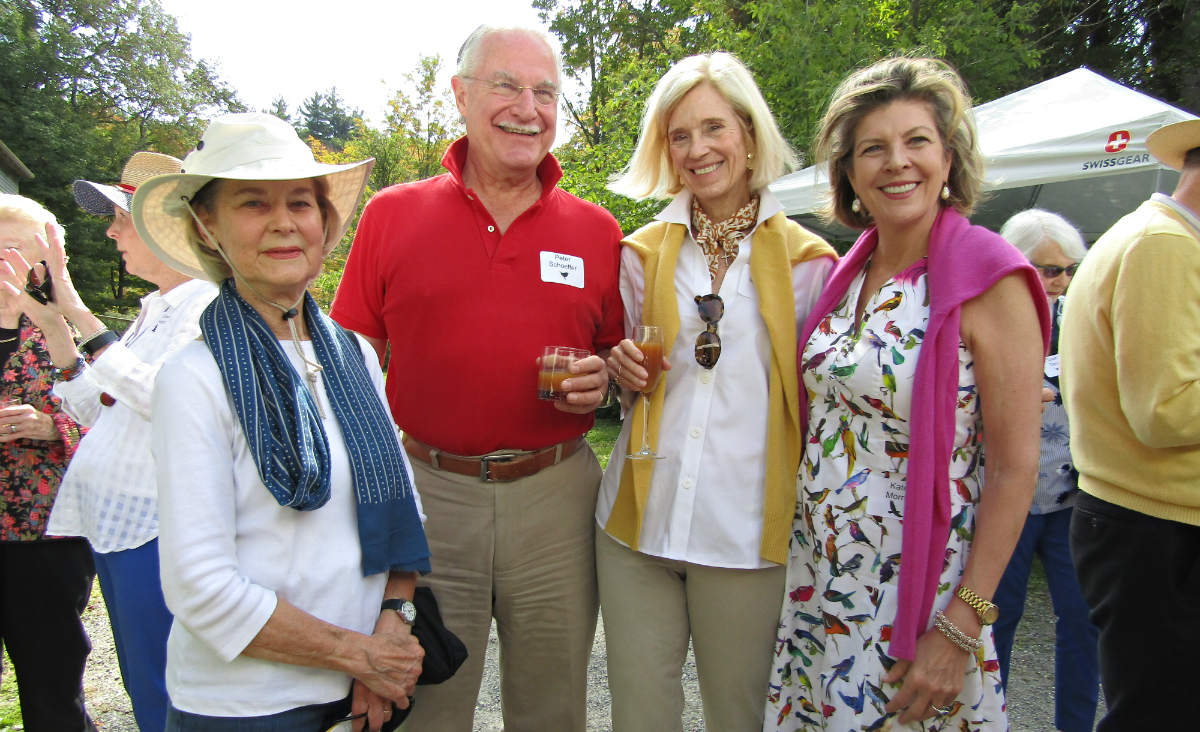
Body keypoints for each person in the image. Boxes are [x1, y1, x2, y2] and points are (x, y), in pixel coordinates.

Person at [330, 24, 622, 732]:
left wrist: (604, 383)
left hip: (557, 497)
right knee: (424, 696)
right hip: (429, 496)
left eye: (545, 91)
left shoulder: (598, 231)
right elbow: (349, 370)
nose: (528, 106)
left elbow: (619, 359)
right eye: (507, 85)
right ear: (461, 95)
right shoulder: (391, 214)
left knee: (552, 704)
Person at [764, 57, 1050, 732]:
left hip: (918, 601)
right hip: (823, 582)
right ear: (850, 173)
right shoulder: (849, 272)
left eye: (916, 141)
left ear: (948, 157)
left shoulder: (990, 279)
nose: (897, 162)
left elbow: (1015, 469)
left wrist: (961, 627)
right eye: (873, 148)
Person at [129, 112, 431, 732]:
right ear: (206, 226)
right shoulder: (194, 377)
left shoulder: (353, 356)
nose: (283, 222)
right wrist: (364, 656)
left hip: (354, 692)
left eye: (301, 201)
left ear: (323, 221)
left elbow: (405, 510)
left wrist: (392, 624)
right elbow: (199, 587)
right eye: (251, 203)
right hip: (247, 707)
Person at [596, 52, 835, 732]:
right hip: (637, 527)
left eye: (714, 128)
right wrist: (619, 370)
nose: (697, 149)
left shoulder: (811, 266)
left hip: (747, 537)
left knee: (741, 718)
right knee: (640, 719)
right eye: (679, 135)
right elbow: (632, 393)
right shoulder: (638, 254)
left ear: (750, 135)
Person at [20, 152, 217, 732]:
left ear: (166, 227)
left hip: (158, 527)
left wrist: (81, 315)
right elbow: (97, 410)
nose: (110, 231)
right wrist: (55, 324)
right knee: (143, 680)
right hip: (125, 526)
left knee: (166, 685)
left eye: (121, 217)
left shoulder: (206, 305)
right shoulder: (156, 309)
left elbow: (171, 403)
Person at [1060, 119, 1200, 732]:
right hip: (1158, 528)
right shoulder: (1164, 244)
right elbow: (1164, 410)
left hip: (1148, 523)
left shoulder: (1157, 237)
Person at [992, 209, 1099, 732]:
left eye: (1067, 269)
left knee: (1083, 620)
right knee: (998, 618)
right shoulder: (989, 311)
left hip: (1070, 496)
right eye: (1049, 269)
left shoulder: (1081, 313)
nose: (1061, 280)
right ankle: (993, 720)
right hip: (1008, 497)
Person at [0, 194, 94, 732]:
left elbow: (119, 429)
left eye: (18, 250)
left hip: (48, 534)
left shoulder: (74, 332)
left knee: (53, 684)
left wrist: (50, 427)